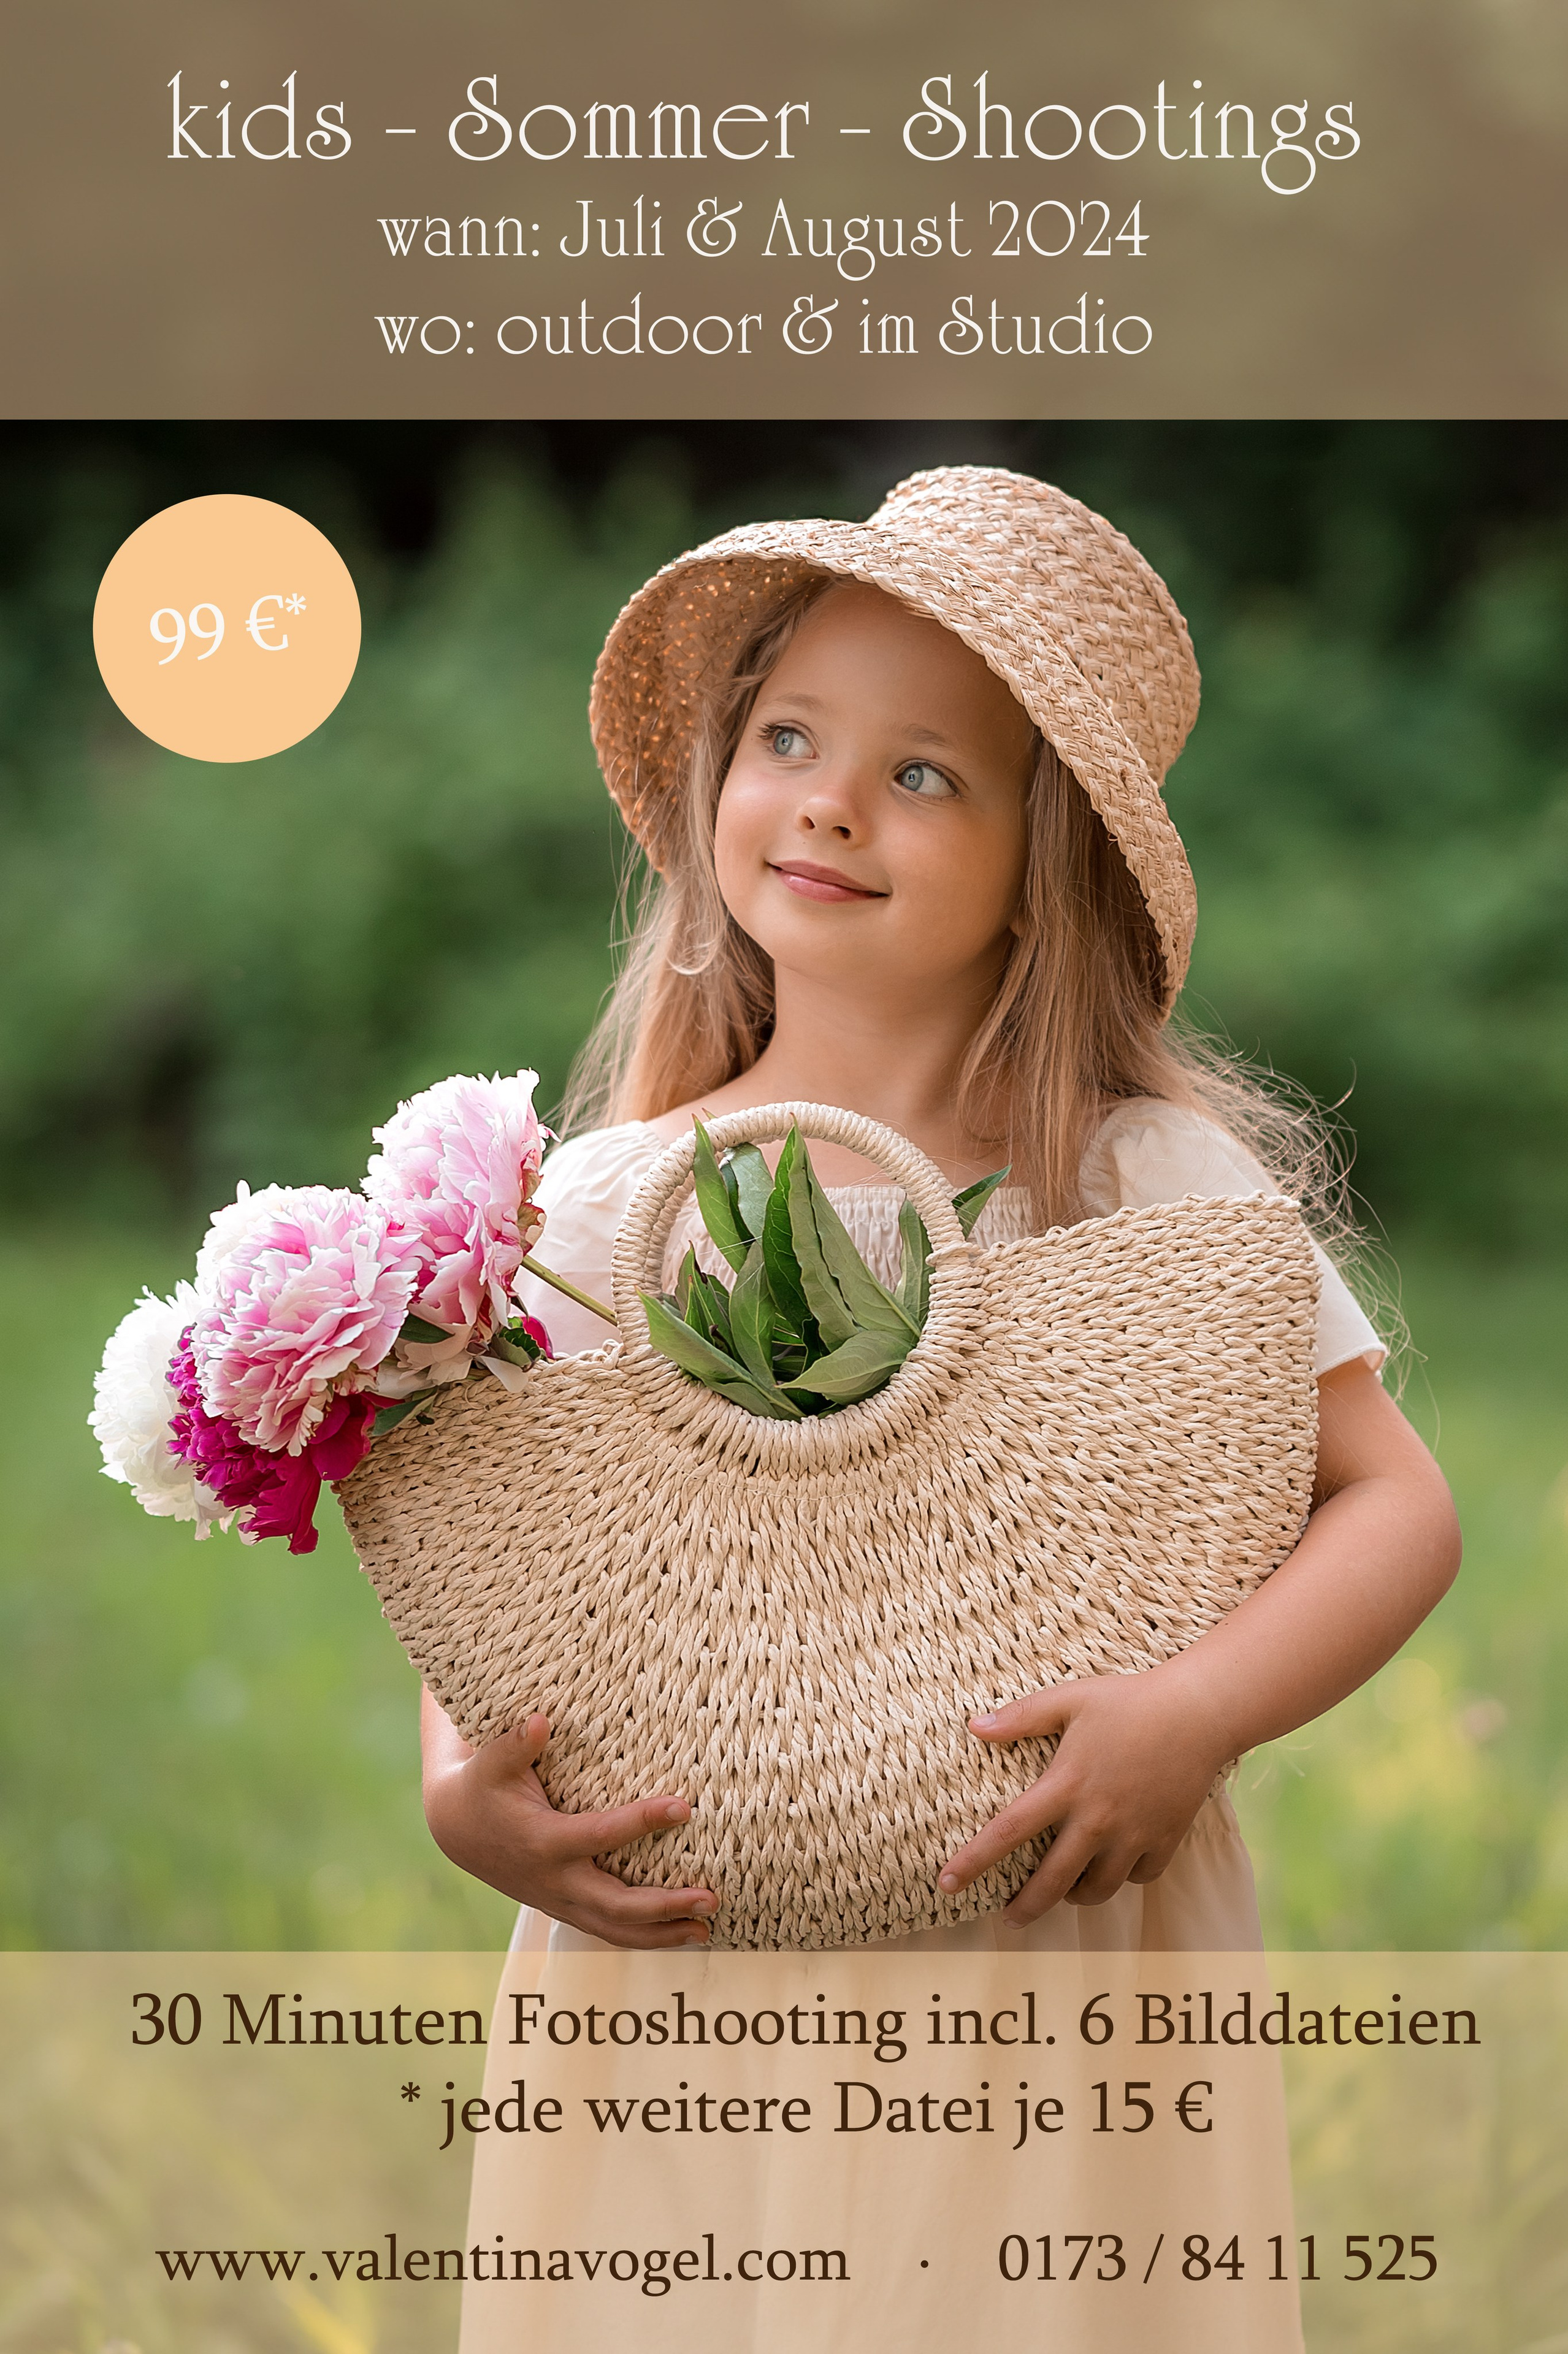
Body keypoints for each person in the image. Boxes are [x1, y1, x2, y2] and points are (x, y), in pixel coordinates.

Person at [420, 464, 1460, 1962]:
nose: (829, 806)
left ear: (1041, 877)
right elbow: (498, 1551)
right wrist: (463, 1791)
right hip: (698, 1924)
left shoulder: (1137, 1188)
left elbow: (1395, 1504)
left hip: (1052, 1912)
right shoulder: (603, 1210)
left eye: (921, 775)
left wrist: (1193, 1713)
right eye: (788, 739)